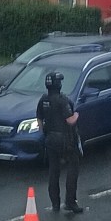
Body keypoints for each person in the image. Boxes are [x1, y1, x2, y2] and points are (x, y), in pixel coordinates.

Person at [36, 71, 83, 213]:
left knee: (53, 170)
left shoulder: (43, 99)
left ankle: (55, 204)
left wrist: (44, 132)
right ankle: (70, 202)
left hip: (50, 139)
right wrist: (76, 115)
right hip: (65, 139)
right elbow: (70, 120)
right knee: (72, 168)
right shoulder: (63, 100)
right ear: (59, 85)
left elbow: (39, 119)